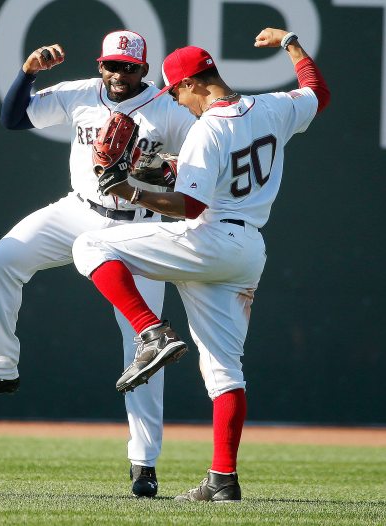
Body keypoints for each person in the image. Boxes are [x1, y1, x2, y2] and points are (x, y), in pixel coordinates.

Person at [72, 27, 330, 501]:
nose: (176, 100)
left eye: (175, 91)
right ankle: (222, 480)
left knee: (90, 247)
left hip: (208, 236)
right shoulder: (273, 108)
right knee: (225, 373)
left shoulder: (207, 128)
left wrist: (130, 191)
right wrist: (291, 44)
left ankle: (152, 334)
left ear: (193, 83)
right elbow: (317, 92)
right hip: (248, 251)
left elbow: (189, 208)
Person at [0, 30, 196, 497]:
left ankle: (143, 465)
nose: (118, 74)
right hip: (79, 209)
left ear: (144, 70)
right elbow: (13, 119)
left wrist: (163, 167)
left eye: (128, 67)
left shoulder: (168, 108)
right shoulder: (82, 93)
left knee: (146, 350)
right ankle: (0, 370)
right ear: (100, 64)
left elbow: (194, 166)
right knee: (3, 257)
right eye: (111, 65)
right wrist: (27, 72)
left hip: (137, 227)